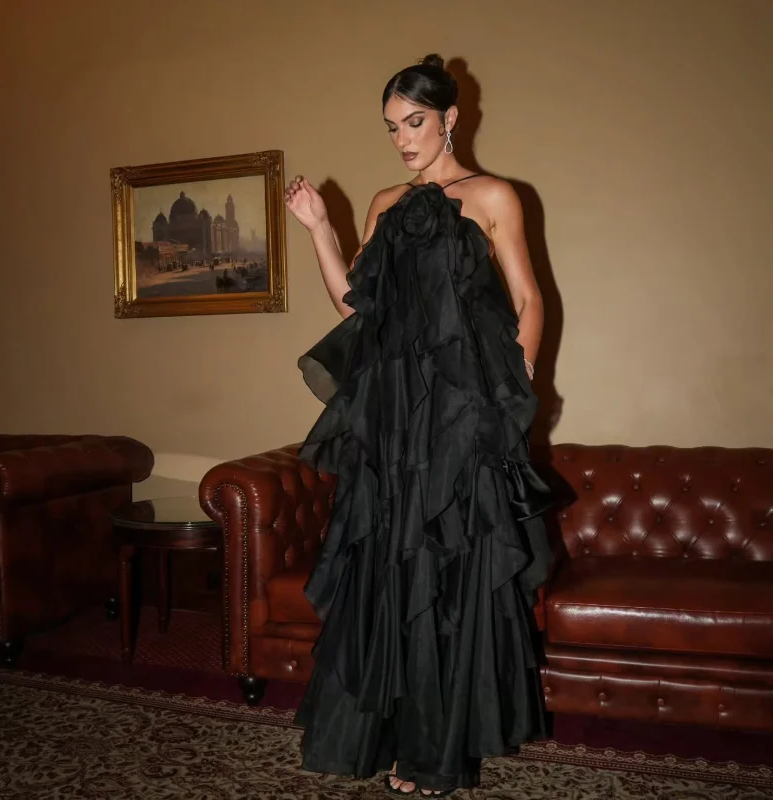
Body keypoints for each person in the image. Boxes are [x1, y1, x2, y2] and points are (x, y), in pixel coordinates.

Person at [284, 54, 554, 798]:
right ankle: (401, 739)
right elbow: (355, 305)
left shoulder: (494, 195)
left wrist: (513, 390)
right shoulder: (384, 203)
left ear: (450, 119)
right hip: (394, 421)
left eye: (415, 122)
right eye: (391, 127)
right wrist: (320, 228)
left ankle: (438, 753)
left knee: (453, 574)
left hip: (462, 415)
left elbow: (528, 299)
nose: (403, 139)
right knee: (393, 572)